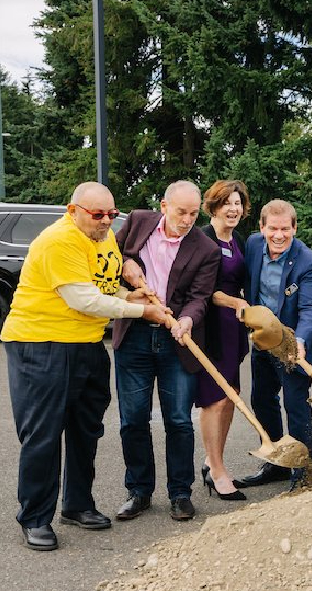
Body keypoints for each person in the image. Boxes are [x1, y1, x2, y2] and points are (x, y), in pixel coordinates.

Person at [3, 182, 168, 550]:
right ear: (72, 210)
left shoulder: (103, 237)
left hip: (87, 345)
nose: (107, 221)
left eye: (111, 213)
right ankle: (34, 518)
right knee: (43, 435)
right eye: (97, 214)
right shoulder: (59, 240)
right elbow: (83, 299)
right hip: (42, 343)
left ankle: (77, 505)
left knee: (85, 429)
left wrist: (131, 294)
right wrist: (142, 310)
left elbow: (105, 287)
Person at [113, 180, 222, 522]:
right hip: (133, 336)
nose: (188, 219)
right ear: (163, 206)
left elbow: (200, 297)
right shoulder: (136, 223)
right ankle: (139, 491)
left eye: (193, 213)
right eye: (181, 211)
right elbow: (107, 259)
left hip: (177, 342)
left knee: (178, 420)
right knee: (133, 419)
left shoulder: (206, 249)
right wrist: (124, 265)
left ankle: (180, 493)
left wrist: (187, 320)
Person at [234, 199, 312, 493]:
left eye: (285, 229)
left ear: (294, 228)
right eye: (273, 228)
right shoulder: (251, 245)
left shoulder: (308, 261)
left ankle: (303, 469)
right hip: (262, 339)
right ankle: (274, 462)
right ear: (262, 227)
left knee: (295, 403)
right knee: (262, 399)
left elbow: (311, 308)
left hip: (291, 342)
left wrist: (299, 340)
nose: (279, 235)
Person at [194, 180, 251, 501]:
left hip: (234, 328)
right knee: (214, 398)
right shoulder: (203, 238)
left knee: (231, 395)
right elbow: (204, 289)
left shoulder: (238, 239)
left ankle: (212, 460)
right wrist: (235, 303)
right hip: (211, 326)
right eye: (227, 202)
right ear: (214, 205)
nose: (234, 209)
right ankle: (217, 471)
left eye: (238, 203)